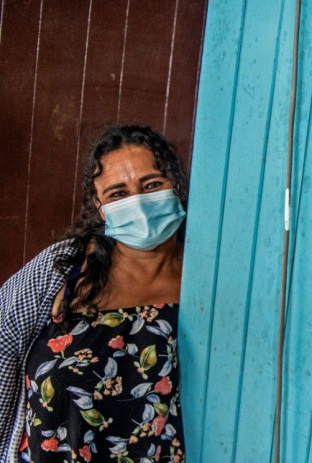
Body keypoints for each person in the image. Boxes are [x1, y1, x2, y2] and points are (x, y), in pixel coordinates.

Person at [0, 126, 188, 462]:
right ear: (101, 208)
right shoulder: (63, 269)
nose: (139, 202)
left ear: (177, 186)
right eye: (118, 194)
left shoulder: (207, 278)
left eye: (152, 185)